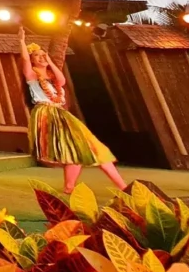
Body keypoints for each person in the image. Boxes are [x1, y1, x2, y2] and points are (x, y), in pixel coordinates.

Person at [18, 26, 126, 194]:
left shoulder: (53, 79)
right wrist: (21, 42)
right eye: (37, 56)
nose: (41, 57)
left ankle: (121, 187)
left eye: (42, 55)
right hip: (47, 114)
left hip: (61, 114)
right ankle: (70, 187)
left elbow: (62, 80)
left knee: (92, 149)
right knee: (75, 149)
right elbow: (24, 60)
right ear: (32, 61)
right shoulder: (32, 76)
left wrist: (50, 61)